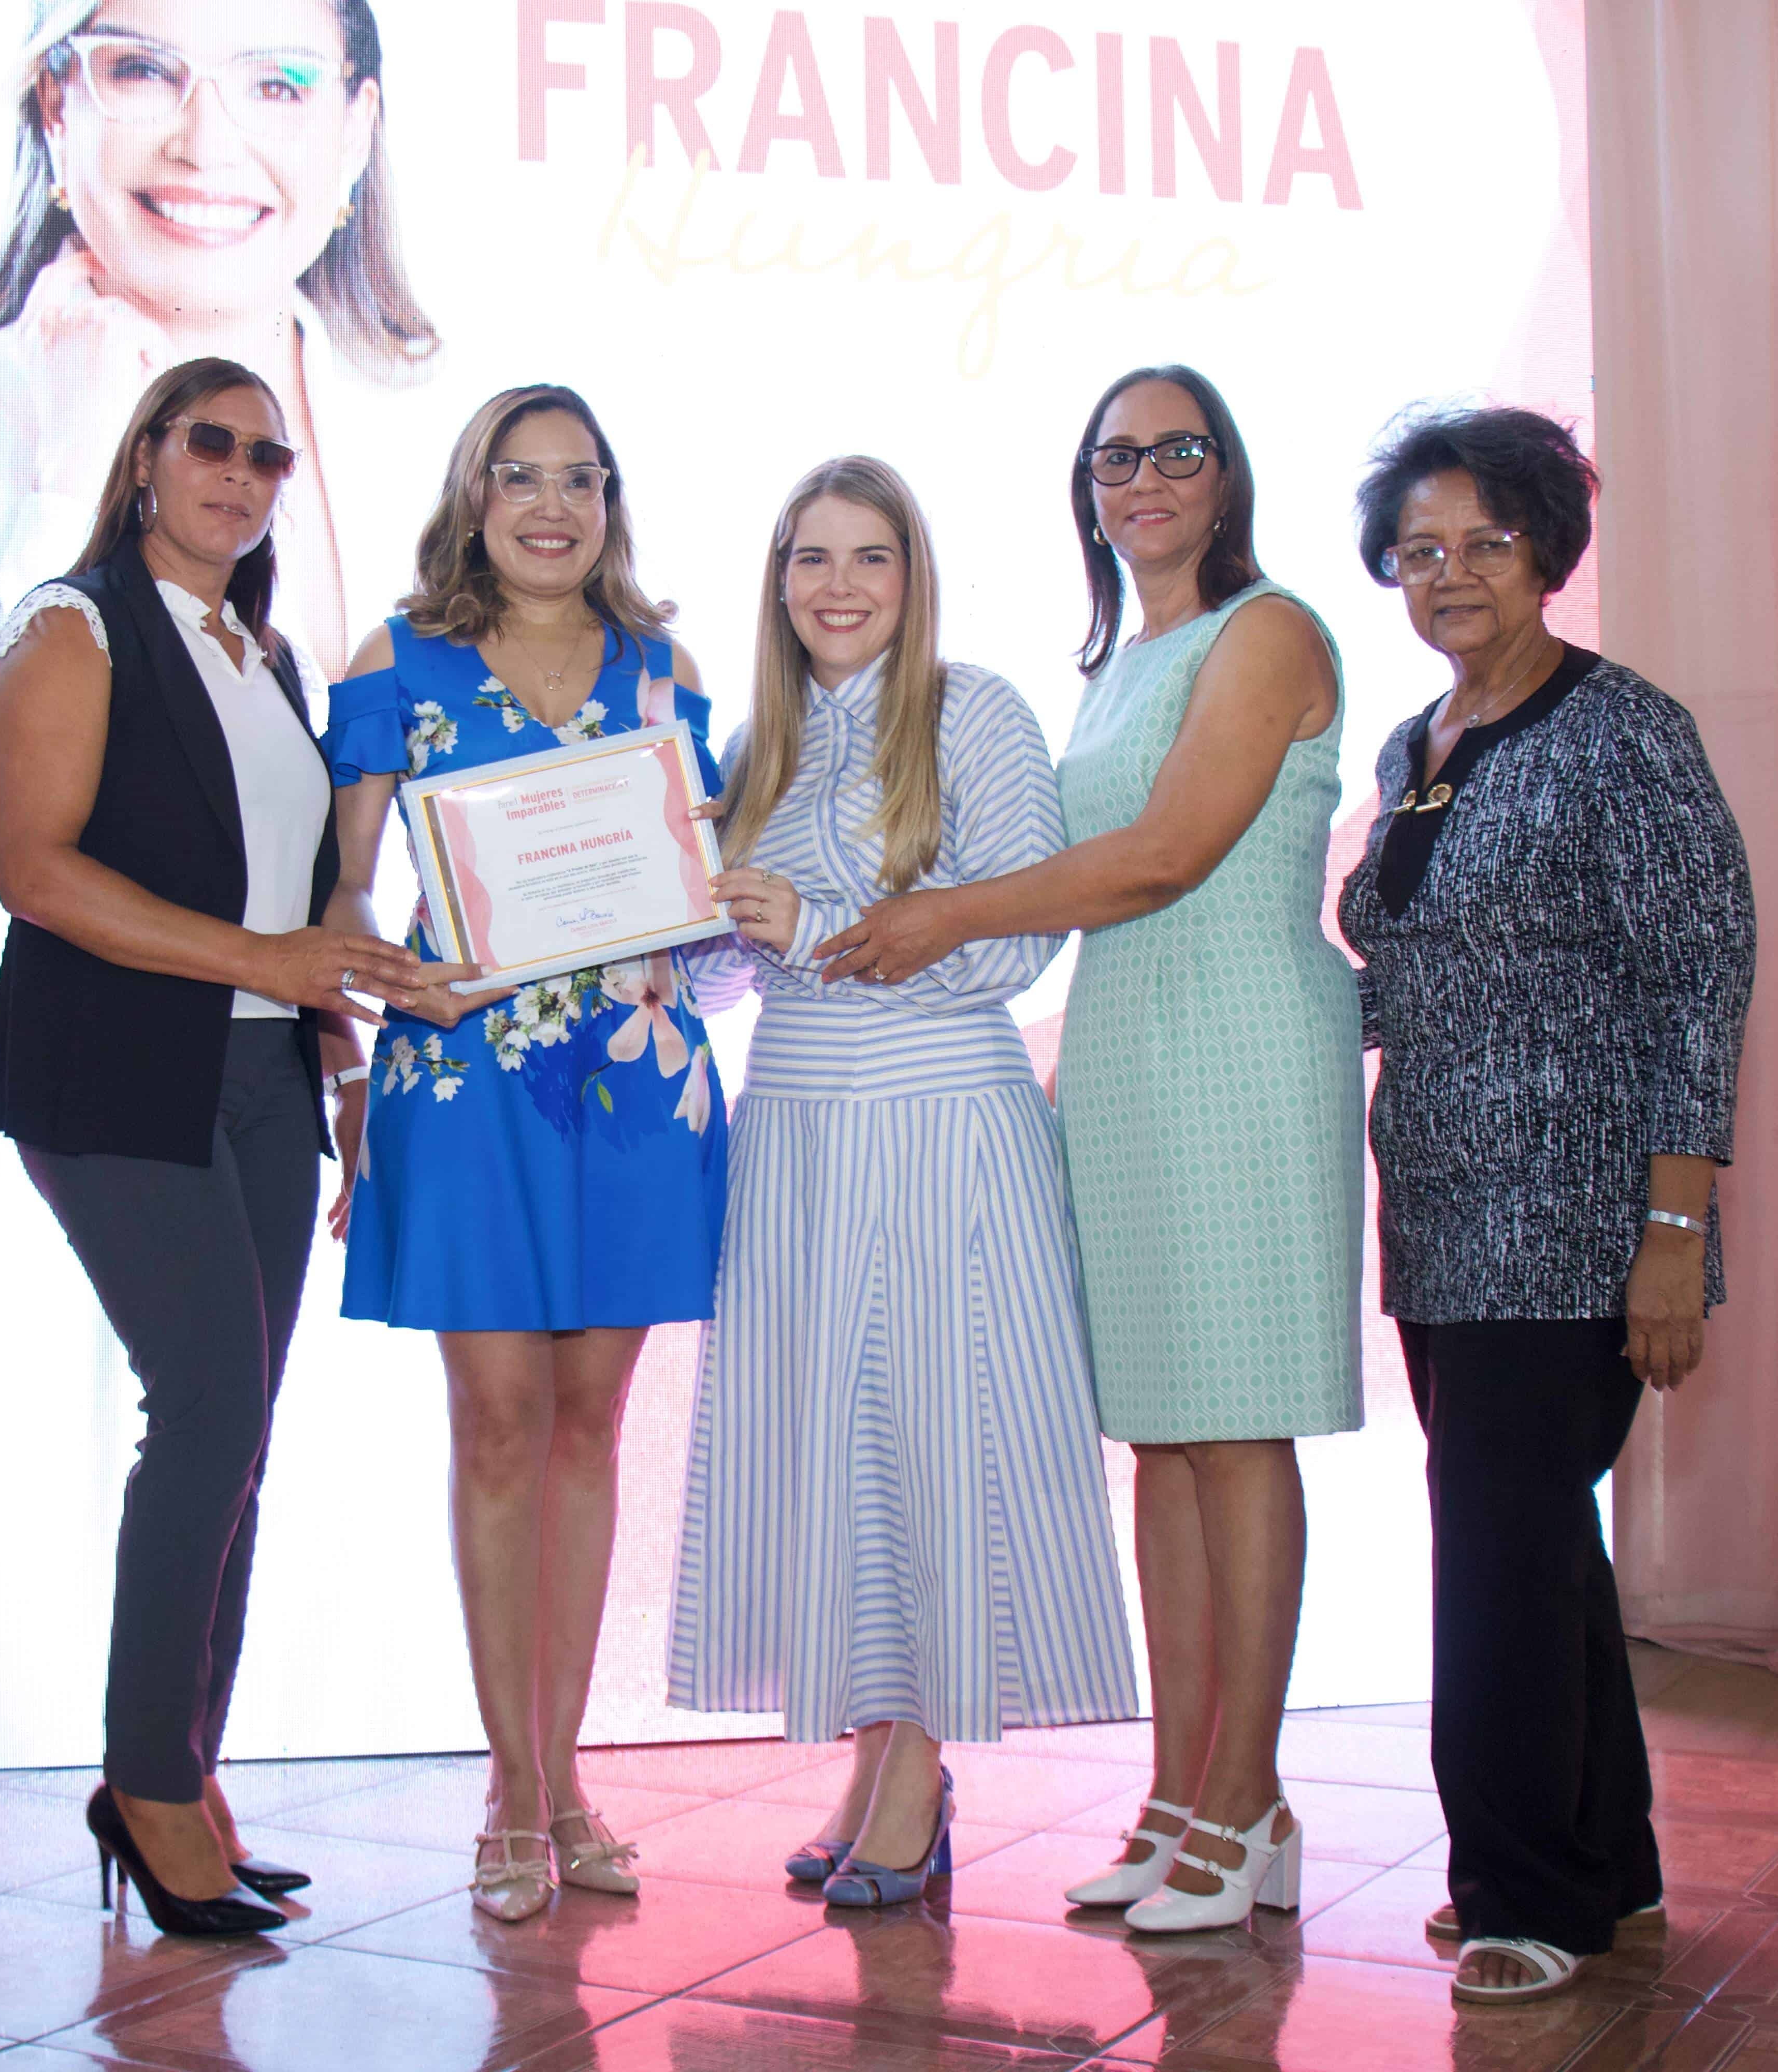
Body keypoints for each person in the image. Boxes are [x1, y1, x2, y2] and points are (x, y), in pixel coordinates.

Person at [812, 366, 1365, 1935]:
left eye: (1178, 449)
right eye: (1116, 457)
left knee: (1237, 1432)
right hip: (1124, 1061)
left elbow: (1168, 855)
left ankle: (1248, 1804)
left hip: (1243, 1050)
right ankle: (1180, 1799)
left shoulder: (1270, 631)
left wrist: (942, 917)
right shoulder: (1118, 664)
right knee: (1163, 1440)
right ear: (1088, 488)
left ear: (1226, 471)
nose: (1146, 479)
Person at [0, 357, 425, 1937]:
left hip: (264, 1083)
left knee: (240, 1432)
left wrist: (343, 1058)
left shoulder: (267, 651)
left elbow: (300, 899)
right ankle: (145, 1784)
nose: (240, 473)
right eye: (210, 443)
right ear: (147, 458)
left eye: (267, 455)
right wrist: (269, 967)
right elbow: (34, 873)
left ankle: (185, 1769)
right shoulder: (73, 628)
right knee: (211, 1406)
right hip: (115, 1070)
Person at [667, 457, 1142, 1907]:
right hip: (799, 1131)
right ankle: (876, 1761)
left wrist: (805, 918)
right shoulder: (753, 740)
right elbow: (735, 980)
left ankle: (919, 1772)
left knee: (935, 1441)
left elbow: (1019, 945)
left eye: (870, 556)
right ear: (778, 579)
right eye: (811, 557)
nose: (839, 585)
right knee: (840, 1451)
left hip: (941, 1128)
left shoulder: (975, 710)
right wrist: (675, 926)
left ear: (913, 574)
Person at [1339, 405, 1754, 2005]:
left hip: (1578, 1222)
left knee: (1497, 1556)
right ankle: (1609, 1867)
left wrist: (1673, 1238)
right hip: (1439, 1216)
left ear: (1546, 554)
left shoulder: (1624, 729)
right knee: (1539, 1546)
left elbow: (1700, 982)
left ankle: (1523, 1896)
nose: (1449, 574)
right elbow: (1408, 976)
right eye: (1419, 550)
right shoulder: (1417, 745)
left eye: (1484, 543)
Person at [323, 384, 728, 1921]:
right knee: (498, 1423)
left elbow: (687, 875)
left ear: (612, 503)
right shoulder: (397, 659)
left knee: (586, 1429)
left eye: (581, 479)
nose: (552, 506)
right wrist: (379, 991)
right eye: (520, 477)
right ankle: (510, 1790)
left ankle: (564, 1780)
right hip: (464, 1077)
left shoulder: (666, 669)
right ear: (473, 495)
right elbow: (343, 895)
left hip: (633, 1077)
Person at [0, 0, 435, 1001]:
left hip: (353, 1064)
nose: (207, 143)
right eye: (144, 72)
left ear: (358, 126)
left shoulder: (444, 449)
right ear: (55, 100)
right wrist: (74, 485)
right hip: (100, 1061)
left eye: (277, 83)